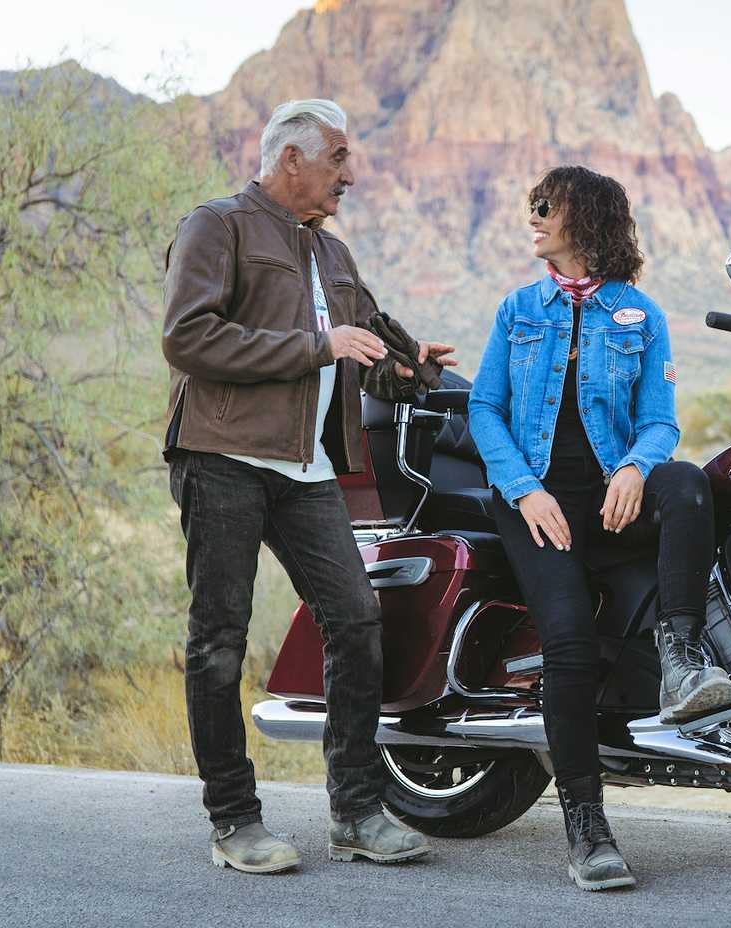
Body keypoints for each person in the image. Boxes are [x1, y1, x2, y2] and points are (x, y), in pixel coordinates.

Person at [160, 98, 456, 874]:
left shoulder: (333, 253)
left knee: (356, 619)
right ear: (291, 158)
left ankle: (356, 812)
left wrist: (411, 367)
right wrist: (316, 345)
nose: (349, 174)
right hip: (221, 456)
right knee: (219, 640)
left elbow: (369, 355)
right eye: (338, 157)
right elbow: (189, 337)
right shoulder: (217, 225)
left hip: (308, 471)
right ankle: (234, 820)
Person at [469, 165, 731, 891]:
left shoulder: (640, 315)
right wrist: (525, 490)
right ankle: (587, 828)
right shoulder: (518, 309)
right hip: (537, 504)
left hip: (612, 499)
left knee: (686, 481)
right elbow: (484, 409)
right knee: (568, 642)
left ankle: (682, 661)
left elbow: (660, 422)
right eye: (532, 205)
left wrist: (635, 469)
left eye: (545, 206)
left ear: (584, 219)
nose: (532, 217)